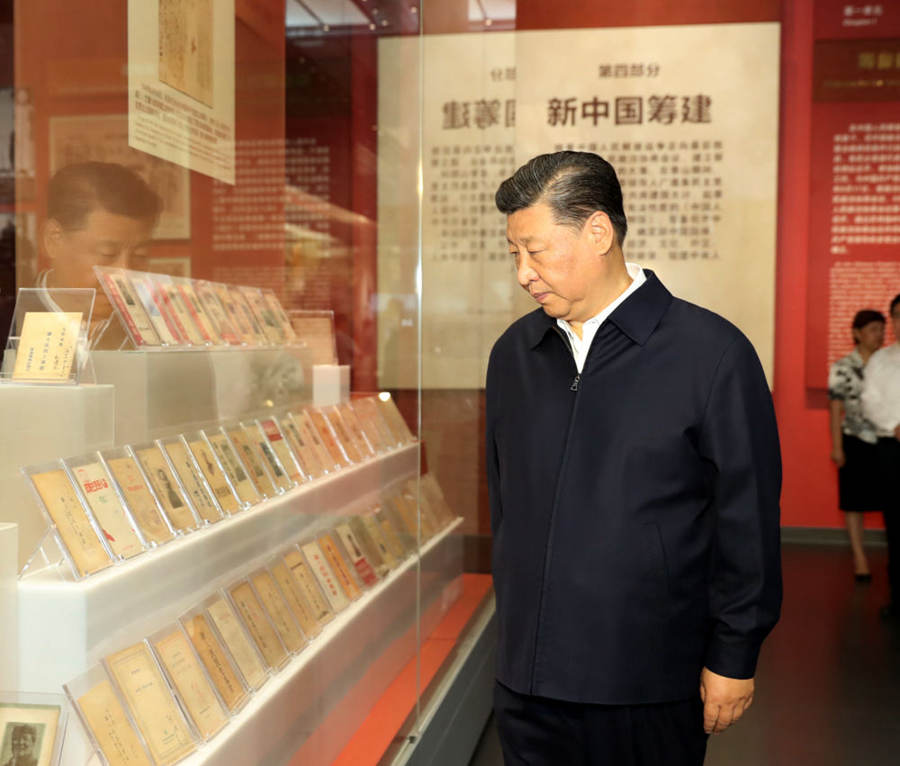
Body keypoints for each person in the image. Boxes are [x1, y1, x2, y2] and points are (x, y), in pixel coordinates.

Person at [486, 151, 782, 765]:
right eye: (513, 253)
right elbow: (505, 503)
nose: (522, 273)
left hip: (646, 684)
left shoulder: (711, 354)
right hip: (527, 683)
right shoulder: (515, 354)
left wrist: (734, 654)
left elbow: (747, 520)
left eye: (535, 251)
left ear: (598, 232)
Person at [38, 161, 161, 346]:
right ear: (53, 240)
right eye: (107, 254)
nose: (124, 274)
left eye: (140, 255)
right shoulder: (8, 324)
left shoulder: (160, 331)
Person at [828, 309, 886, 581]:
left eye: (882, 329)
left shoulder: (889, 364)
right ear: (857, 333)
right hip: (854, 439)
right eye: (873, 329)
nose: (879, 335)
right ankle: (860, 557)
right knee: (854, 501)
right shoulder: (842, 367)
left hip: (886, 439)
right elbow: (835, 409)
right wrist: (837, 446)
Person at [861, 293, 900, 620]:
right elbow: (869, 402)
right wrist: (894, 426)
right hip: (892, 449)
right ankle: (897, 600)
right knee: (895, 526)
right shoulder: (880, 361)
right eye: (898, 316)